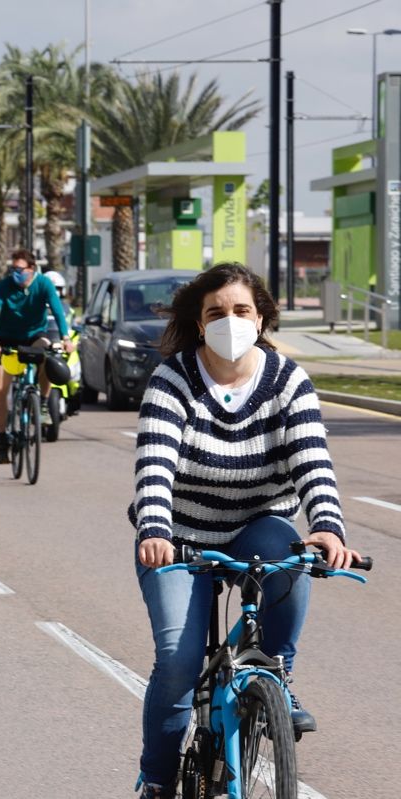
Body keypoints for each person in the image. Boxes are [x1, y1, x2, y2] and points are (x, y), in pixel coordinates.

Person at [131, 263, 359, 799]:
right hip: (180, 538)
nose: (229, 321)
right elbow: (155, 466)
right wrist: (155, 529)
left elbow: (313, 462)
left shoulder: (286, 379)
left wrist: (327, 528)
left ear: (261, 319)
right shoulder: (174, 380)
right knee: (178, 665)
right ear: (199, 320)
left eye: (241, 311)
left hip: (257, 525)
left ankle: (277, 678)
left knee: (291, 552)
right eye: (216, 313)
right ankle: (158, 782)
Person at [0, 249, 74, 464]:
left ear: (31, 269)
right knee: (0, 390)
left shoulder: (43, 284)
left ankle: (41, 403)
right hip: (7, 340)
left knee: (48, 354)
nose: (15, 273)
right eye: (13, 269)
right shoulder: (5, 286)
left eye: (20, 269)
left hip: (34, 336)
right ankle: (3, 437)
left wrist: (66, 338)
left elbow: (58, 311)